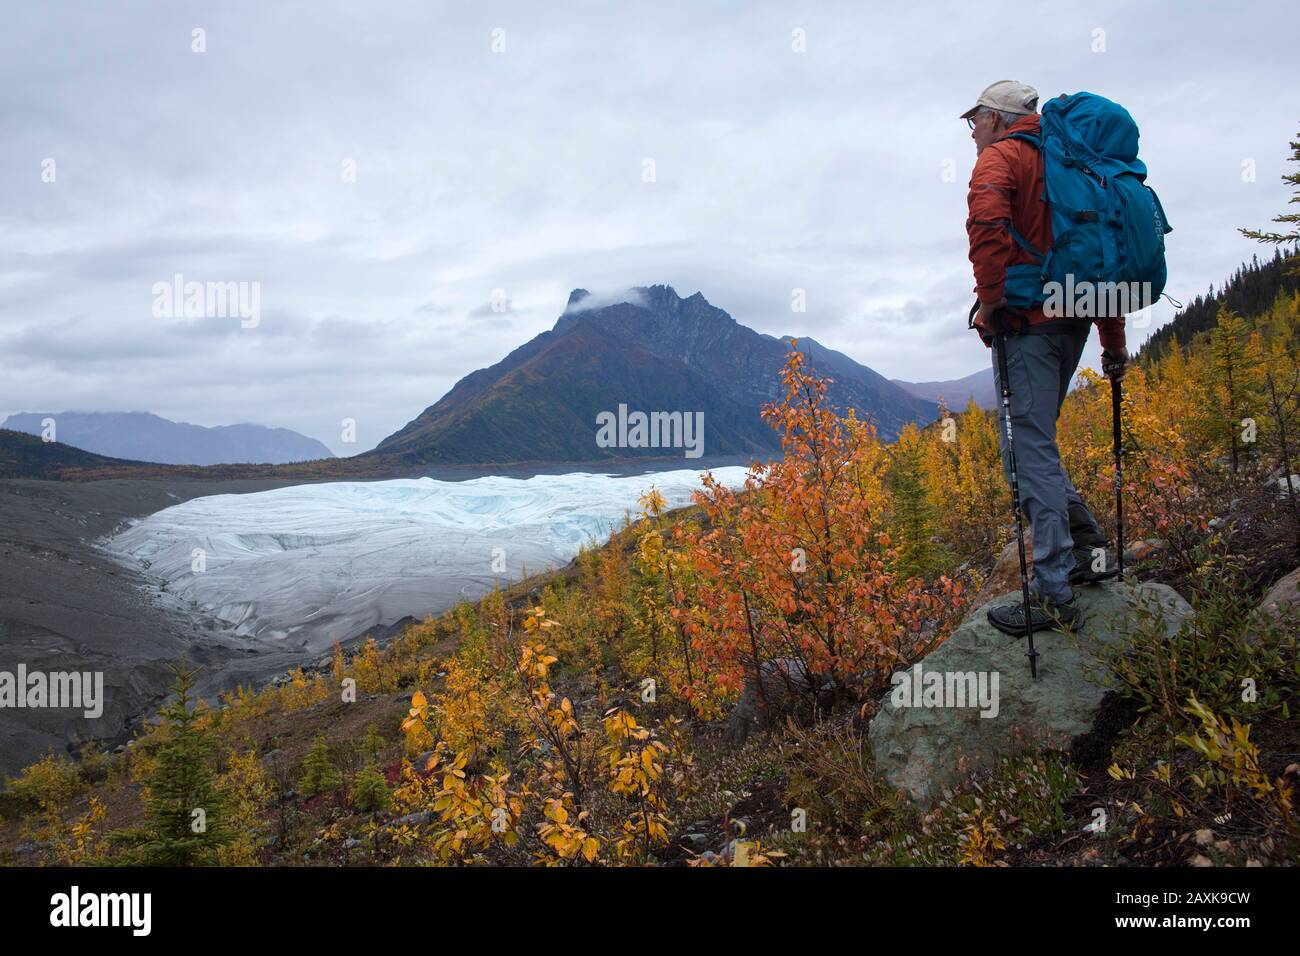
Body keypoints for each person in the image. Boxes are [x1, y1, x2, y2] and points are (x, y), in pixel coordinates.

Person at [962, 80, 1128, 636]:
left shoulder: (1000, 160)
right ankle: (1088, 550)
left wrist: (990, 305)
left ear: (998, 118)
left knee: (1025, 454)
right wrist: (1114, 344)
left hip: (1027, 325)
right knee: (1035, 442)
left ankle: (1054, 591)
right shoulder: (1078, 167)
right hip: (1075, 321)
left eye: (975, 121)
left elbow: (985, 229)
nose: (973, 132)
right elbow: (1107, 261)